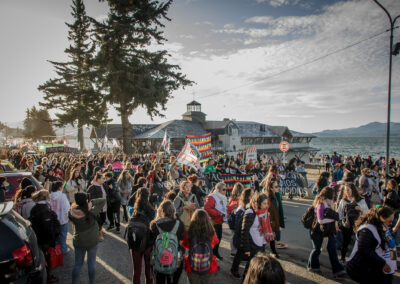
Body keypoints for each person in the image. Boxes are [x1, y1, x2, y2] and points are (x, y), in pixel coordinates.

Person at [346, 207, 395, 283]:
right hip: (362, 267)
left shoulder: (384, 227)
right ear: (381, 218)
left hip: (375, 266)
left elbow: (391, 247)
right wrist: (382, 263)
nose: (391, 224)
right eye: (390, 221)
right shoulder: (367, 230)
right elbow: (364, 249)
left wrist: (392, 262)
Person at [308, 186, 345, 278]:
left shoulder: (330, 203)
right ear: (328, 196)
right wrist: (333, 220)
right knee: (316, 249)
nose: (334, 196)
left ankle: (338, 270)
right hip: (317, 231)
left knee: (332, 250)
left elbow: (335, 216)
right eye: (332, 195)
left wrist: (336, 223)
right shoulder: (320, 204)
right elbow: (320, 221)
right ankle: (313, 266)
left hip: (328, 231)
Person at [69, 192, 106, 284]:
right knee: (91, 264)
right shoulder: (91, 212)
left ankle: (74, 282)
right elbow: (103, 200)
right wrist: (92, 202)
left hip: (78, 240)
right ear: (86, 201)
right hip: (92, 240)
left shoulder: (72, 212)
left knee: (77, 264)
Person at [149, 200, 185, 284]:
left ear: (160, 210)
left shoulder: (154, 224)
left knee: (159, 280)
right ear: (173, 210)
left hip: (159, 256)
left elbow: (151, 241)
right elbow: (181, 241)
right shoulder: (179, 224)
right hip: (175, 256)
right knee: (174, 280)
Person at [240, 192, 274, 280]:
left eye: (267, 203)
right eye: (264, 203)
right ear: (258, 203)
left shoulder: (265, 213)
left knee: (258, 267)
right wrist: (246, 248)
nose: (266, 206)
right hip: (252, 245)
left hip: (261, 243)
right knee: (250, 266)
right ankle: (245, 280)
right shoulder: (250, 213)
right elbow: (244, 231)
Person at [29, 189, 61, 283]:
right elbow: (48, 228)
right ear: (46, 197)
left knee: (42, 258)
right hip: (45, 239)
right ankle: (47, 276)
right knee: (46, 259)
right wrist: (54, 237)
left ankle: (47, 275)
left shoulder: (35, 208)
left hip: (38, 237)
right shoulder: (44, 209)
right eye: (48, 196)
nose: (50, 197)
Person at [182, 209, 219, 284]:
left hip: (192, 264)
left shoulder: (189, 232)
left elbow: (185, 245)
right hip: (208, 264)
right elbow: (215, 242)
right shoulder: (211, 231)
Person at [128, 187, 155, 284]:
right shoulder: (152, 211)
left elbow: (128, 203)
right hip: (148, 243)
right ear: (148, 197)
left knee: (136, 271)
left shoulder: (132, 211)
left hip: (135, 242)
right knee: (149, 271)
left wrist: (137, 195)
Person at [336, 183, 368, 263]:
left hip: (358, 225)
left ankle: (356, 259)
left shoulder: (361, 200)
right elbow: (339, 213)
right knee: (345, 242)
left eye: (348, 190)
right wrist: (337, 223)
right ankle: (343, 258)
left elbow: (367, 212)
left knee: (358, 243)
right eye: (345, 190)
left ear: (353, 190)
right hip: (346, 225)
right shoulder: (343, 201)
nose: (347, 192)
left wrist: (361, 209)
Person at [230, 188, 254, 279]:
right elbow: (238, 227)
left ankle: (235, 269)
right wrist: (241, 239)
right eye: (252, 194)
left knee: (240, 255)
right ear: (248, 196)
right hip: (241, 237)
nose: (254, 195)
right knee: (240, 255)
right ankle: (234, 270)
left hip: (244, 236)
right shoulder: (241, 209)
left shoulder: (248, 206)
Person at [204, 182, 228, 260]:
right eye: (223, 189)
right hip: (213, 222)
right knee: (213, 240)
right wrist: (219, 213)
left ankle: (215, 253)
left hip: (219, 221)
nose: (225, 191)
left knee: (219, 238)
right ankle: (212, 257)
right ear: (218, 190)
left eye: (225, 189)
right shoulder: (211, 197)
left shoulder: (222, 197)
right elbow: (207, 209)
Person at [264, 178, 286, 256]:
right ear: (271, 188)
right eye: (276, 186)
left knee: (273, 236)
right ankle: (272, 252)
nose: (278, 188)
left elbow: (279, 210)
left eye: (277, 186)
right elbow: (268, 211)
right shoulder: (268, 198)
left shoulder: (277, 195)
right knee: (270, 236)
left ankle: (272, 251)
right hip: (271, 220)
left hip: (276, 220)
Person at [50, 181, 71, 254]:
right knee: (63, 234)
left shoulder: (50, 196)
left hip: (53, 219)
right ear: (60, 187)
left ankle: (56, 249)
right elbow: (67, 208)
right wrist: (68, 217)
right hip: (62, 218)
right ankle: (63, 249)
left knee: (55, 235)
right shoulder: (62, 196)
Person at [87, 173, 107, 241]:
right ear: (98, 179)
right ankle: (98, 234)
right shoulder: (92, 187)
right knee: (98, 221)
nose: (103, 180)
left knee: (103, 219)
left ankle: (100, 229)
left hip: (104, 205)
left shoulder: (103, 185)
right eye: (102, 178)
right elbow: (89, 197)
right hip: (97, 207)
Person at [227, 183, 244, 256]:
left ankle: (233, 250)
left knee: (232, 235)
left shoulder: (231, 199)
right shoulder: (241, 200)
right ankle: (237, 250)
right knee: (238, 235)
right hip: (238, 219)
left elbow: (228, 208)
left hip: (231, 219)